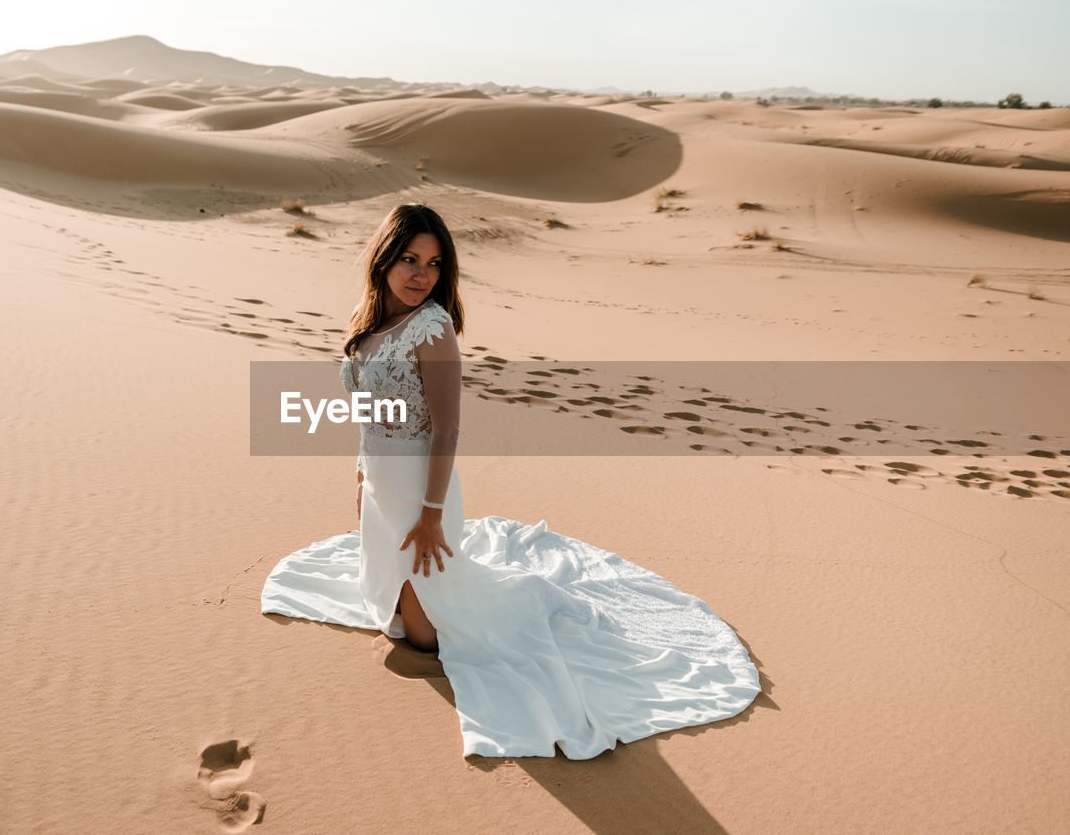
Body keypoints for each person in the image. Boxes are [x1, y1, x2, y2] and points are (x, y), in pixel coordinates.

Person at [262, 204, 760, 759]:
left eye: (432, 263)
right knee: (394, 620)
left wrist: (430, 513)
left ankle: (519, 600)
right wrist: (360, 479)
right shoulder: (370, 325)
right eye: (408, 259)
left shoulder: (432, 326)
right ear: (383, 260)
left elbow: (447, 427)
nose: (420, 274)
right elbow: (371, 416)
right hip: (380, 486)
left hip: (422, 487)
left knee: (426, 635)